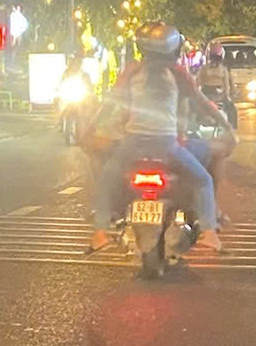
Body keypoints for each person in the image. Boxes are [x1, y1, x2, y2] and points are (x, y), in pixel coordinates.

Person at [85, 23, 226, 256]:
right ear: (174, 49)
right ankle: (209, 232)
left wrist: (90, 126)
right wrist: (226, 125)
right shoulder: (178, 72)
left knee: (107, 179)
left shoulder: (132, 71)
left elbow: (110, 103)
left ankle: (100, 232)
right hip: (167, 145)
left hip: (132, 144)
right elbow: (201, 102)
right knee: (203, 181)